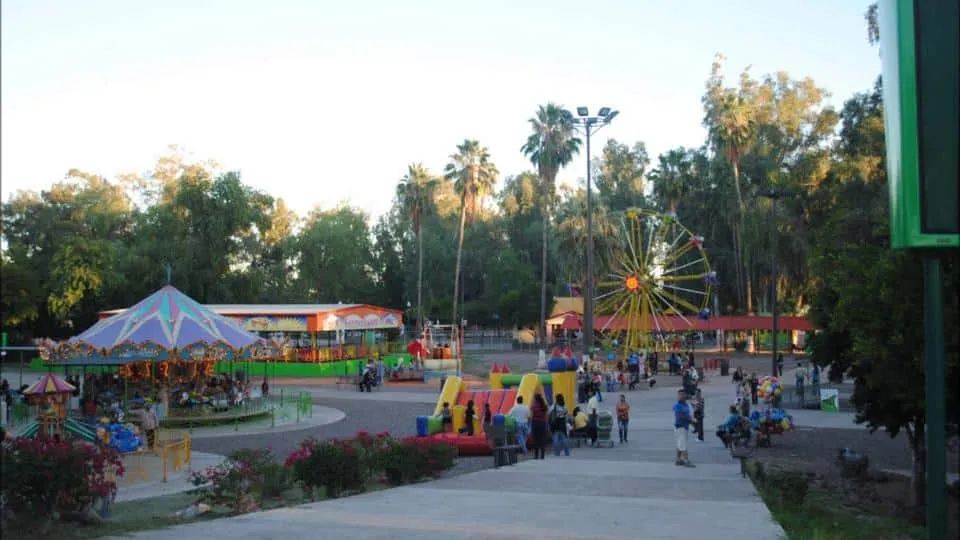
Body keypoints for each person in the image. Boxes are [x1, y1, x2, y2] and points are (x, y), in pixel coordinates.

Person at [673, 388, 695, 467]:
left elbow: (689, 415)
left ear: (685, 395)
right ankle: (686, 460)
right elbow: (681, 416)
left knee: (680, 444)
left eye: (682, 394)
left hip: (685, 426)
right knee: (683, 444)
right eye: (679, 395)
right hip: (680, 427)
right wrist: (691, 421)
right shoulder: (677, 405)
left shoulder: (686, 405)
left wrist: (692, 423)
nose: (681, 396)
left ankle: (678, 460)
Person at [530, 393, 549, 459]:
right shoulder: (544, 405)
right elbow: (546, 415)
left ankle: (536, 455)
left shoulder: (534, 405)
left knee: (536, 439)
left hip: (535, 422)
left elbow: (531, 415)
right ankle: (542, 455)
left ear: (535, 399)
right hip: (542, 423)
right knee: (542, 438)